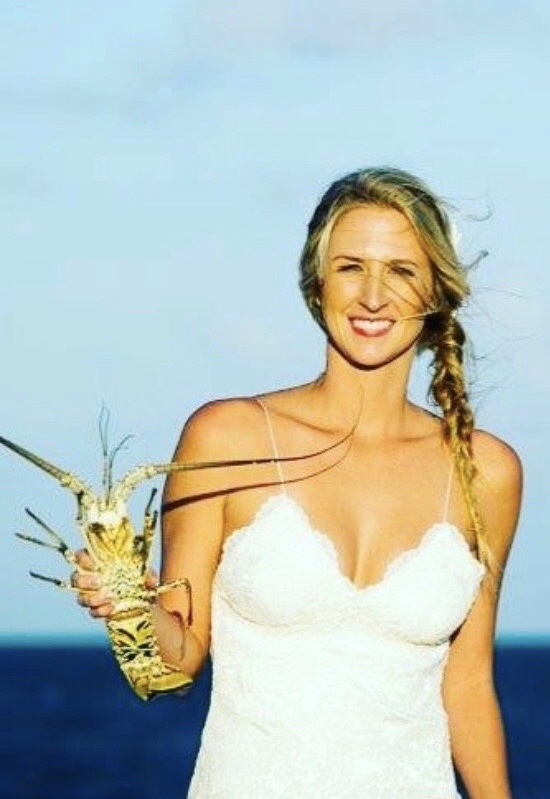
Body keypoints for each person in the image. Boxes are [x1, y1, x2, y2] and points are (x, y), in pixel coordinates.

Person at [74, 167, 523, 799]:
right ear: (316, 283)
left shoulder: (487, 470)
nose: (373, 295)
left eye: (400, 269)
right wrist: (129, 606)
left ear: (436, 291)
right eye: (350, 267)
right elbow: (176, 662)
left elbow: (469, 682)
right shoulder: (226, 437)